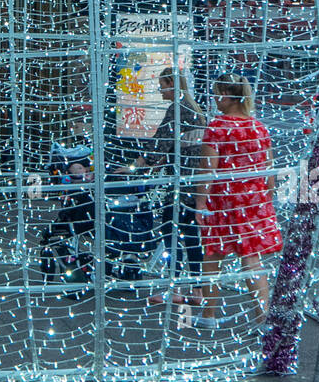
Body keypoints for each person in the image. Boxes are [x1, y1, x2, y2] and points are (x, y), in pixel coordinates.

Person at [194, 74, 283, 327]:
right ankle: (262, 317)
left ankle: (209, 315)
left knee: (212, 256)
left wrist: (200, 203)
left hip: (223, 200)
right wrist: (267, 197)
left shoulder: (217, 128)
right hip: (253, 201)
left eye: (217, 93)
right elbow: (269, 169)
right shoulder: (258, 127)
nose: (214, 99)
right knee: (252, 259)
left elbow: (208, 169)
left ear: (226, 95)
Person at [114, 67, 205, 304]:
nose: (160, 89)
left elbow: (160, 144)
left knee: (170, 230)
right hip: (195, 182)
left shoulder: (178, 109)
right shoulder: (194, 109)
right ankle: (197, 289)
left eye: (163, 85)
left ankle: (174, 288)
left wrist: (135, 167)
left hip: (181, 183)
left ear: (172, 85)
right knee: (192, 236)